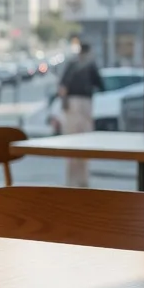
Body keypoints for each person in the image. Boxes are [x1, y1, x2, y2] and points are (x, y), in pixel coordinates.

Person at [58, 42, 104, 187]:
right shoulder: (91, 65)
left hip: (72, 105)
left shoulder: (72, 64)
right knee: (84, 144)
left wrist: (63, 102)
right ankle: (83, 181)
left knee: (72, 144)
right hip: (84, 104)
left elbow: (62, 86)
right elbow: (101, 85)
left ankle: (72, 181)